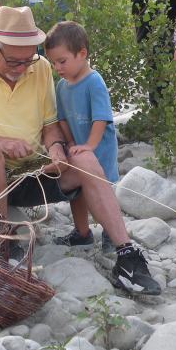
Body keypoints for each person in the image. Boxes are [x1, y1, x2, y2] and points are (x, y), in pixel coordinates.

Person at [0, 5, 160, 295]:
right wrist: (1, 143)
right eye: (14, 62)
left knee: (86, 159)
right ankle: (4, 240)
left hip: (29, 174)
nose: (21, 69)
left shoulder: (38, 67)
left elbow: (51, 125)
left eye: (27, 61)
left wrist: (55, 149)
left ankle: (126, 255)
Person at [44, 21, 117, 254]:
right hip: (77, 148)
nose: (58, 67)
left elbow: (101, 118)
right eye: (53, 63)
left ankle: (109, 233)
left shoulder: (94, 81)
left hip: (99, 147)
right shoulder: (62, 86)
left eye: (62, 61)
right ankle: (82, 232)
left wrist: (89, 145)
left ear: (82, 53)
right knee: (77, 190)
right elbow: (62, 119)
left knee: (103, 188)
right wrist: (73, 143)